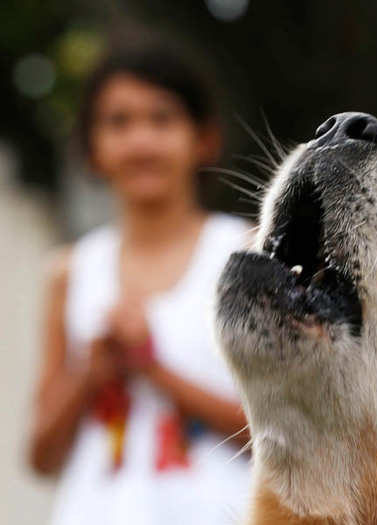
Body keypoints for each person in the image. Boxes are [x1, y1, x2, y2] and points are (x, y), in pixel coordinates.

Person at [28, 41, 252, 525]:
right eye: (119, 122)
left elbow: (288, 435)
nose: (141, 141)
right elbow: (40, 455)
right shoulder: (72, 272)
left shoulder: (244, 254)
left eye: (162, 118)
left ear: (203, 138)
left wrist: (153, 368)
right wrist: (92, 371)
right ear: (92, 147)